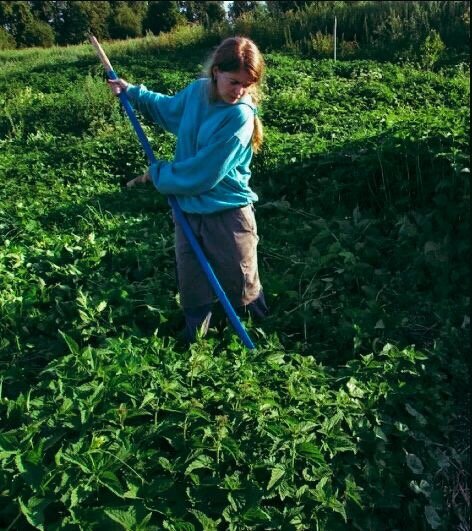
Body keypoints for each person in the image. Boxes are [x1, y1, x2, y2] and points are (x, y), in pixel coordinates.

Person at [108, 36, 268, 344]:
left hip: (227, 213)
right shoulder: (198, 92)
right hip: (188, 210)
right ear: (216, 72)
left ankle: (258, 338)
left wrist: (159, 174)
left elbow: (202, 175)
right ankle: (195, 340)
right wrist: (133, 93)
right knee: (192, 278)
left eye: (247, 85)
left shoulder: (239, 116)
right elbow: (169, 109)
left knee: (240, 280)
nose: (239, 91)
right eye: (234, 82)